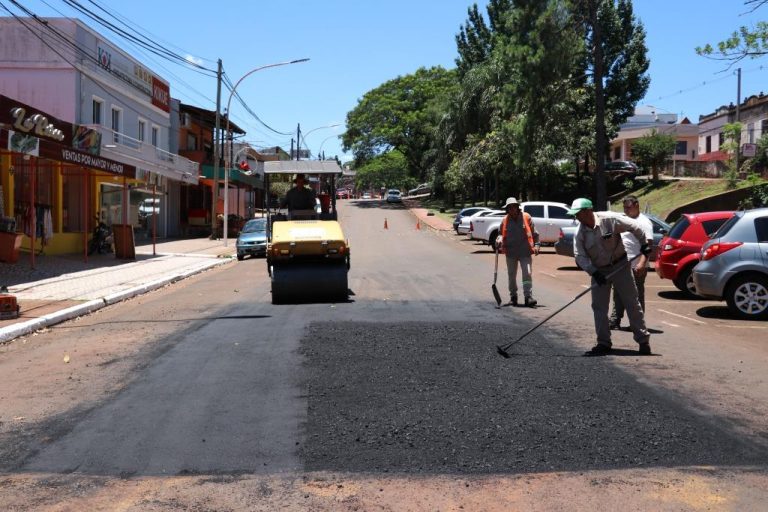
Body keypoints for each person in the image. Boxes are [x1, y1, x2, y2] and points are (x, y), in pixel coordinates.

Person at [568, 198, 653, 356]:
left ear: (588, 211)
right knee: (599, 307)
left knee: (631, 302)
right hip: (599, 270)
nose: (577, 218)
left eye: (578, 214)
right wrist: (593, 272)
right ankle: (603, 343)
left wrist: (643, 244)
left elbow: (635, 226)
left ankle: (643, 341)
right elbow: (579, 256)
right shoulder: (580, 233)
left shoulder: (609, 220)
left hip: (620, 266)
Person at [609, 195, 653, 330]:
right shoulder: (624, 220)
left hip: (637, 264)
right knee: (618, 292)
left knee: (635, 295)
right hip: (622, 263)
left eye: (628, 207)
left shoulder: (644, 222)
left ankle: (637, 323)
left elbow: (648, 245)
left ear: (636, 205)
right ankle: (615, 319)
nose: (626, 210)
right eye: (624, 208)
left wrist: (641, 264)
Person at [495, 197, 540, 307]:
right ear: (507, 209)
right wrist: (499, 240)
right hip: (511, 252)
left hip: (525, 252)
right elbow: (500, 233)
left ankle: (528, 297)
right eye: (509, 208)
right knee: (511, 275)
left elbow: (535, 233)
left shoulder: (526, 217)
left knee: (527, 273)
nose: (512, 209)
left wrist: (537, 245)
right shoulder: (505, 220)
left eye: (513, 207)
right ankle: (513, 297)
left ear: (517, 207)